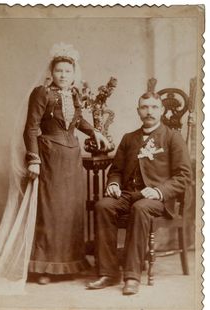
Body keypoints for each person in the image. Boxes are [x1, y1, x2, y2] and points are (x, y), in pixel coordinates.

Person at [86, 91, 192, 295]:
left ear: (161, 110)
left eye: (153, 107)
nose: (149, 111)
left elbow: (184, 176)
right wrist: (114, 184)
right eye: (144, 107)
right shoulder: (129, 138)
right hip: (128, 194)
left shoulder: (172, 138)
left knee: (140, 208)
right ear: (138, 111)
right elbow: (115, 170)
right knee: (103, 206)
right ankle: (108, 273)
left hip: (157, 199)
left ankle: (132, 276)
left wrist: (159, 190)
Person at [23, 44, 109, 285]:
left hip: (72, 156)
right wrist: (34, 159)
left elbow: (78, 121)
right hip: (49, 156)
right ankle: (45, 268)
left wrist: (95, 133)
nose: (63, 75)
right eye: (59, 71)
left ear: (74, 74)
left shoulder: (74, 93)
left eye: (68, 71)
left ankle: (70, 263)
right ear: (52, 72)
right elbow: (31, 128)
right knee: (51, 211)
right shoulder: (42, 93)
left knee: (70, 211)